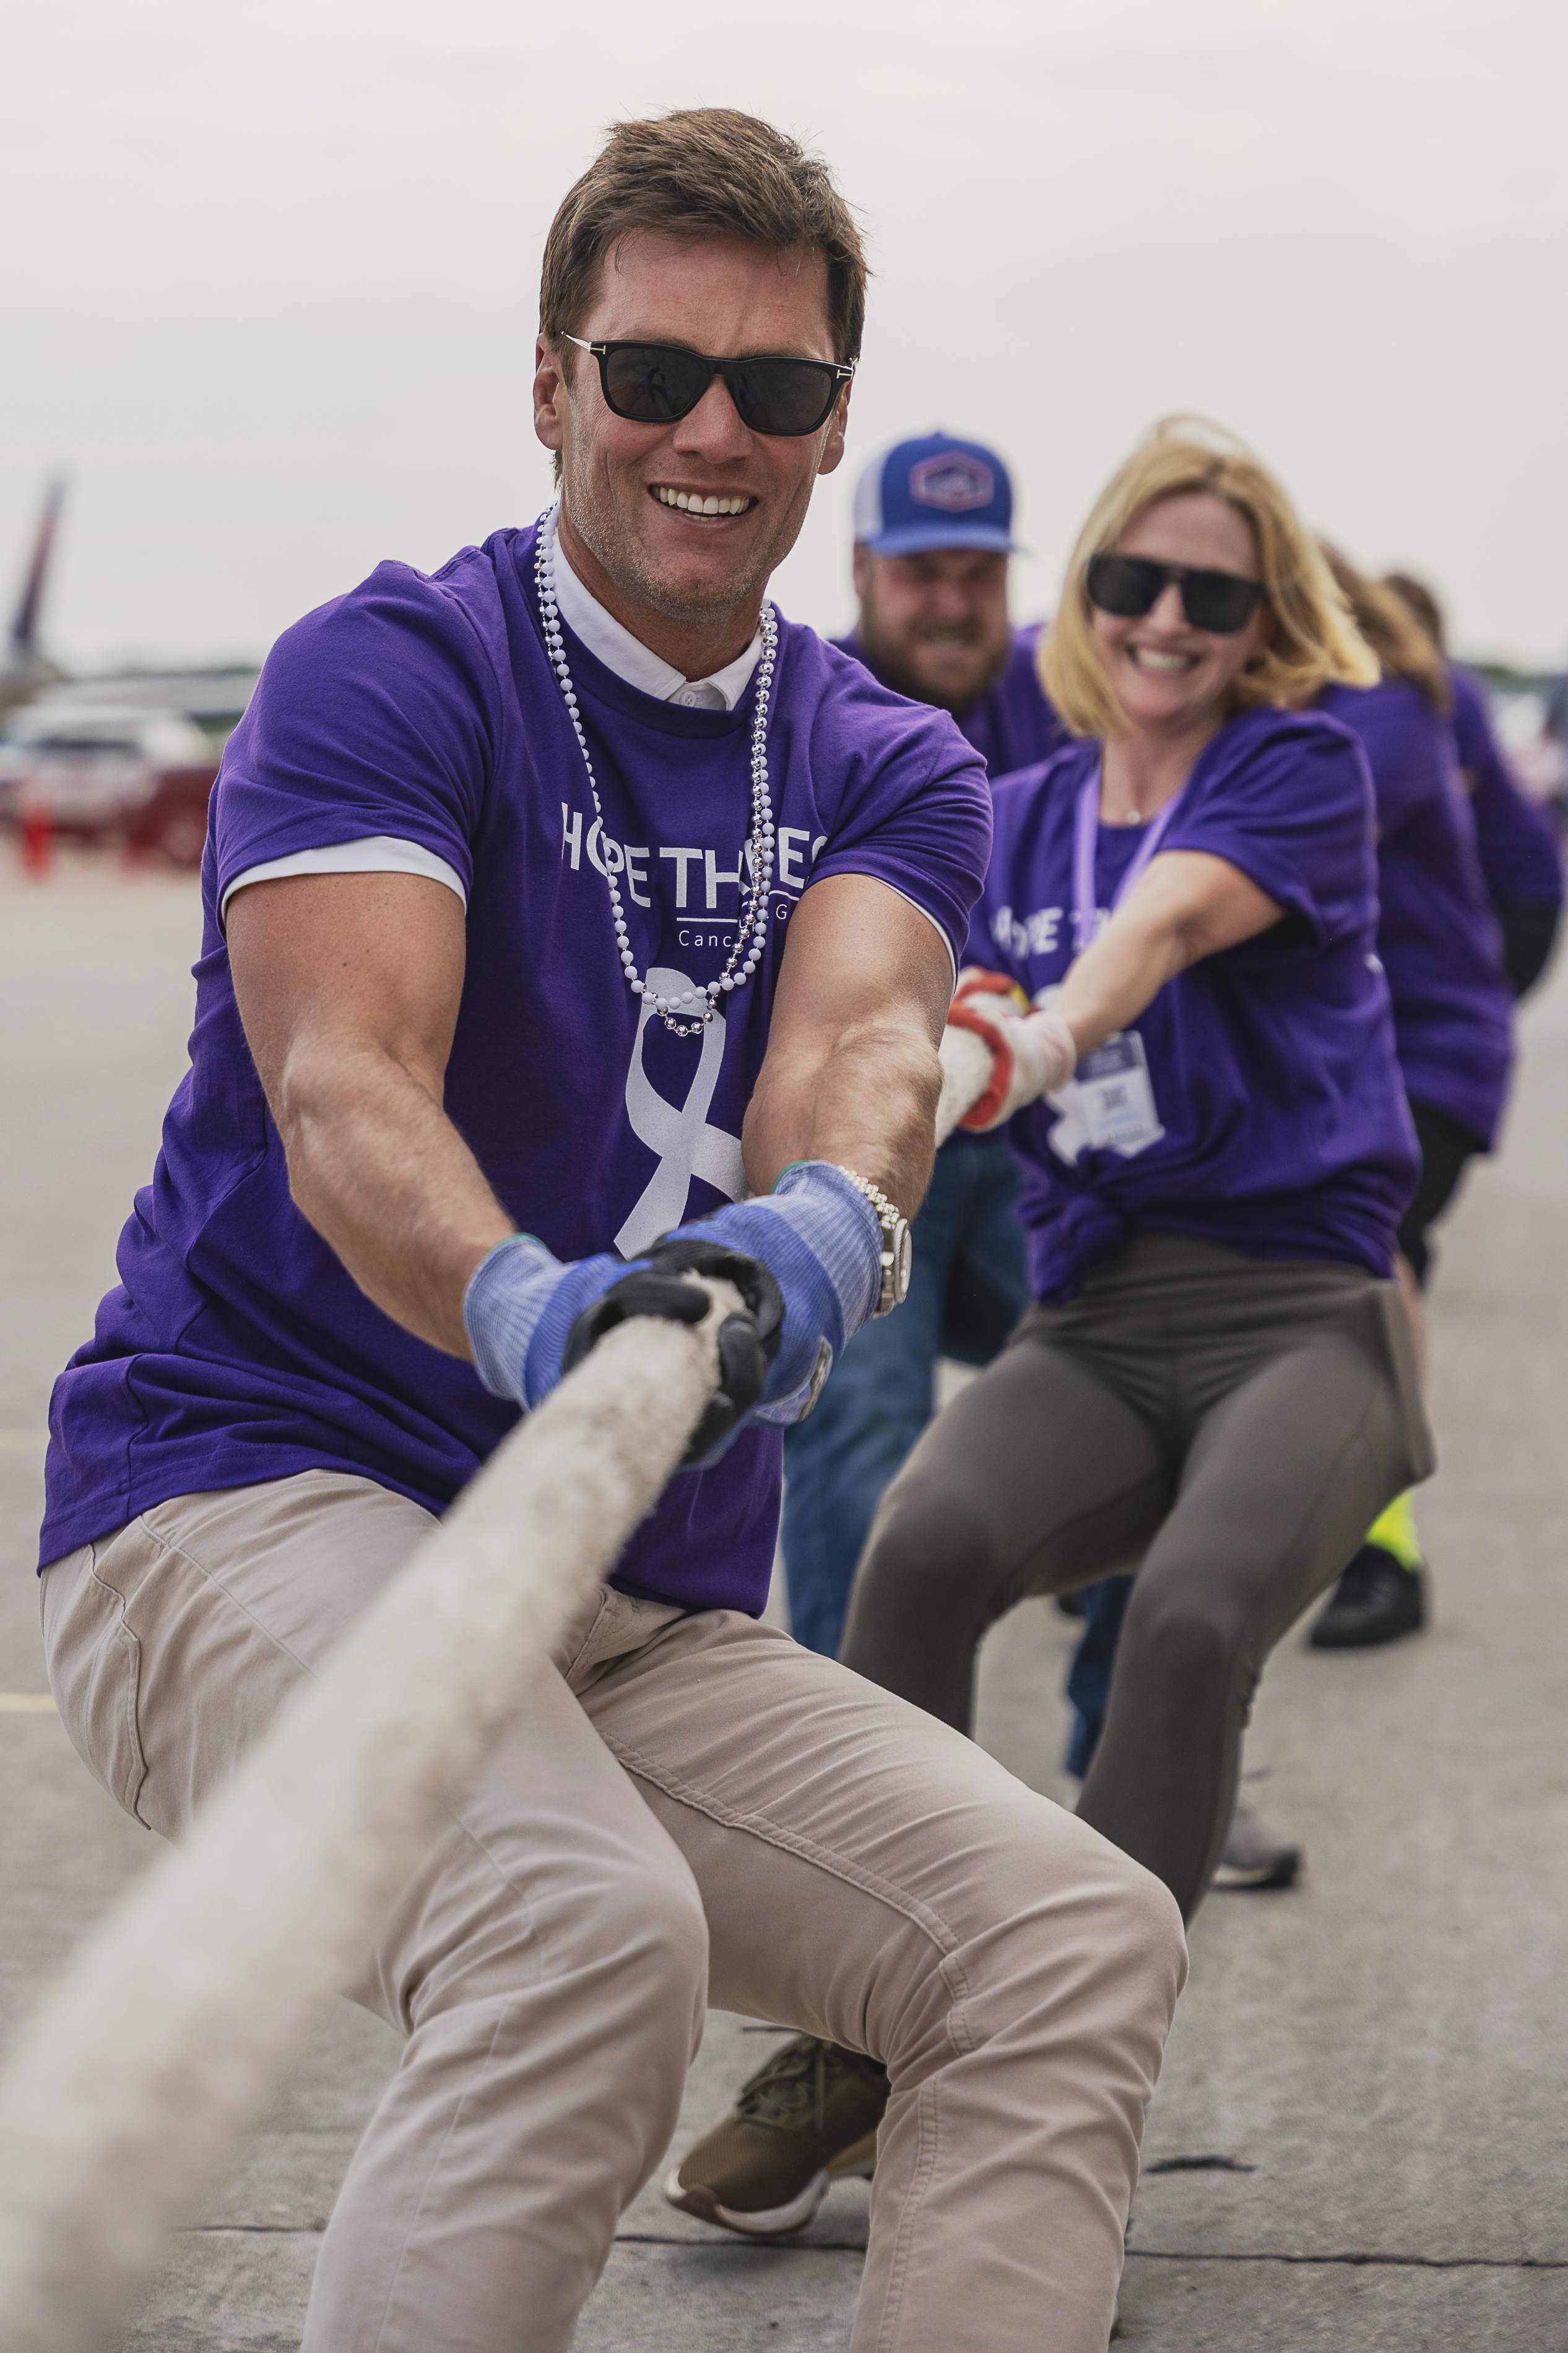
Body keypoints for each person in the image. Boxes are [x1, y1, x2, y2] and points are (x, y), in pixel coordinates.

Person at [33, 111, 1184, 2353]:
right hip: (253, 1489)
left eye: (770, 388)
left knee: (1066, 1936)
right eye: (650, 372)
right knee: (581, 1930)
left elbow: (853, 1043)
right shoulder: (398, 670)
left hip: (626, 1592)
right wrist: (512, 1291)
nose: (707, 430)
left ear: (831, 426)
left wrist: (829, 1218)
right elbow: (346, 1078)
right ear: (551, 385)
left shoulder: (877, 753)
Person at [679, 417, 1431, 2217]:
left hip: (1301, 1319)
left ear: (1262, 618)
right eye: (1132, 580)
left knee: (1181, 1626)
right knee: (915, 1552)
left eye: (1211, 592)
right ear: (1082, 596)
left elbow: (1156, 930)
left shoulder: (1294, 769)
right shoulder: (1005, 813)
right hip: (1099, 1319)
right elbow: (903, 987)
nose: (1166, 618)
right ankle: (868, 2031)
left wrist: (1042, 1033)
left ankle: (1045, 2090)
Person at [779, 431, 1068, 1658]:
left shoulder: (1074, 711)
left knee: (1131, 1383)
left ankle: (1132, 1744)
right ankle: (859, 1761)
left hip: (1042, 1134)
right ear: (862, 567)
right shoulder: (800, 717)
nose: (952, 603)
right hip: (867, 1136)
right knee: (861, 1427)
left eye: (977, 572)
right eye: (921, 573)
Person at [1305, 554, 1515, 1648]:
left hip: (1425, 1049)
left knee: (1362, 1254)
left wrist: (1489, 996)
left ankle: (1383, 1546)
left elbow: (1275, 854)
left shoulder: (1382, 710)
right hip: (1344, 1053)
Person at [1384, 572, 1562, 1000]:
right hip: (1503, 888)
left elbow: (1443, 790)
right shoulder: (1416, 691)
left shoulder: (1443, 689)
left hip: (1516, 896)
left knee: (1458, 1016)